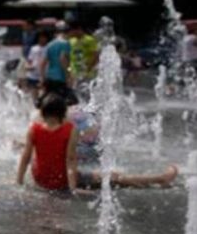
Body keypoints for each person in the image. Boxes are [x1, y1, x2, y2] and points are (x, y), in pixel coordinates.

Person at [16, 94, 178, 193]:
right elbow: (71, 160)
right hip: (61, 181)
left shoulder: (34, 128)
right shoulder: (69, 129)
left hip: (40, 179)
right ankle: (160, 179)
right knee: (114, 177)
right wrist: (73, 188)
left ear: (43, 112)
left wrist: (19, 181)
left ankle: (159, 179)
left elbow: (25, 157)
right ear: (62, 112)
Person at [40, 20, 77, 105]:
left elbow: (42, 64)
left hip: (50, 78)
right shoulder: (65, 43)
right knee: (69, 102)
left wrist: (43, 78)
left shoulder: (50, 44)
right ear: (68, 31)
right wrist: (68, 76)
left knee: (49, 102)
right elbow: (63, 59)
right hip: (60, 78)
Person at [67, 19, 99, 87]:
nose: (71, 33)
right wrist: (69, 73)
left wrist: (88, 69)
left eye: (72, 30)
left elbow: (95, 55)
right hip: (75, 74)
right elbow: (69, 57)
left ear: (79, 29)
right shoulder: (71, 41)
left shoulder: (89, 40)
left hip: (88, 74)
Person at [24, 31, 50, 100]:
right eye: (40, 37)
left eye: (44, 37)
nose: (42, 39)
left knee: (44, 93)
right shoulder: (33, 48)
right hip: (33, 74)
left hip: (45, 75)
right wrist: (27, 66)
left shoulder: (49, 48)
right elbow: (29, 60)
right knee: (34, 94)